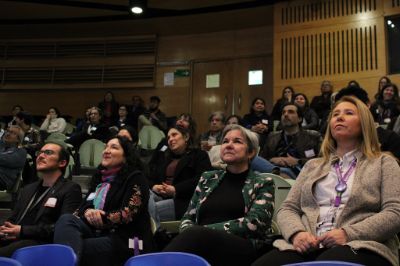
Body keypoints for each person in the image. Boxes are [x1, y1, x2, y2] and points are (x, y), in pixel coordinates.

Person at [253, 96, 400, 266]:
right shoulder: (312, 165)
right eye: (335, 114)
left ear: (365, 123)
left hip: (361, 244)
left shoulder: (383, 162)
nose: (339, 117)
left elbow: (395, 213)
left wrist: (348, 233)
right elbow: (288, 208)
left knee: (326, 263)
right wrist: (297, 234)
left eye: (349, 113)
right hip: (306, 245)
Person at [164, 125, 274, 266]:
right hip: (199, 243)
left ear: (251, 152)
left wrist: (202, 232)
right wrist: (194, 232)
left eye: (237, 141)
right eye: (225, 141)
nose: (228, 145)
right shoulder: (208, 178)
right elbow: (188, 217)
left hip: (241, 248)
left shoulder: (263, 182)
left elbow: (253, 224)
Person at [54, 136, 153, 266]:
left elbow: (128, 214)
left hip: (126, 239)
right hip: (99, 233)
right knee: (66, 220)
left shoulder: (135, 177)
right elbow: (81, 208)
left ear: (125, 156)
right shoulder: (100, 180)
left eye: (114, 147)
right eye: (106, 147)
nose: (106, 150)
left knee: (75, 247)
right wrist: (89, 212)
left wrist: (102, 216)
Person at [0, 141, 82, 257]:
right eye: (40, 152)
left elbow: (62, 228)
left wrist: (22, 231)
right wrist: (5, 229)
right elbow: (14, 219)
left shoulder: (70, 189)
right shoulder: (28, 189)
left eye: (48, 153)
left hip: (40, 243)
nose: (41, 156)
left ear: (62, 162)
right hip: (16, 238)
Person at [148, 126, 211, 224]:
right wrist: (154, 186)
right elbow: (151, 177)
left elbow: (202, 179)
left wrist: (175, 189)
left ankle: (146, 237)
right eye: (168, 137)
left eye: (174, 135)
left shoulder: (199, 155)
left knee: (144, 213)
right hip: (161, 196)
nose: (170, 139)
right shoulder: (166, 159)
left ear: (186, 137)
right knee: (144, 194)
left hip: (183, 201)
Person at [261, 103, 321, 178]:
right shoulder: (272, 136)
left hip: (302, 174)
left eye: (291, 112)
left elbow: (322, 161)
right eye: (283, 112)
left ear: (300, 119)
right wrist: (272, 159)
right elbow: (262, 158)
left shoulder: (313, 136)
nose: (285, 115)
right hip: (274, 171)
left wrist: (298, 161)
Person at [0, 125, 27, 190]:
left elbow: (5, 160)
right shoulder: (1, 146)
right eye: (8, 131)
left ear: (18, 139)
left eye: (12, 133)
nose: (8, 134)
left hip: (3, 181)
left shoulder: (21, 152)